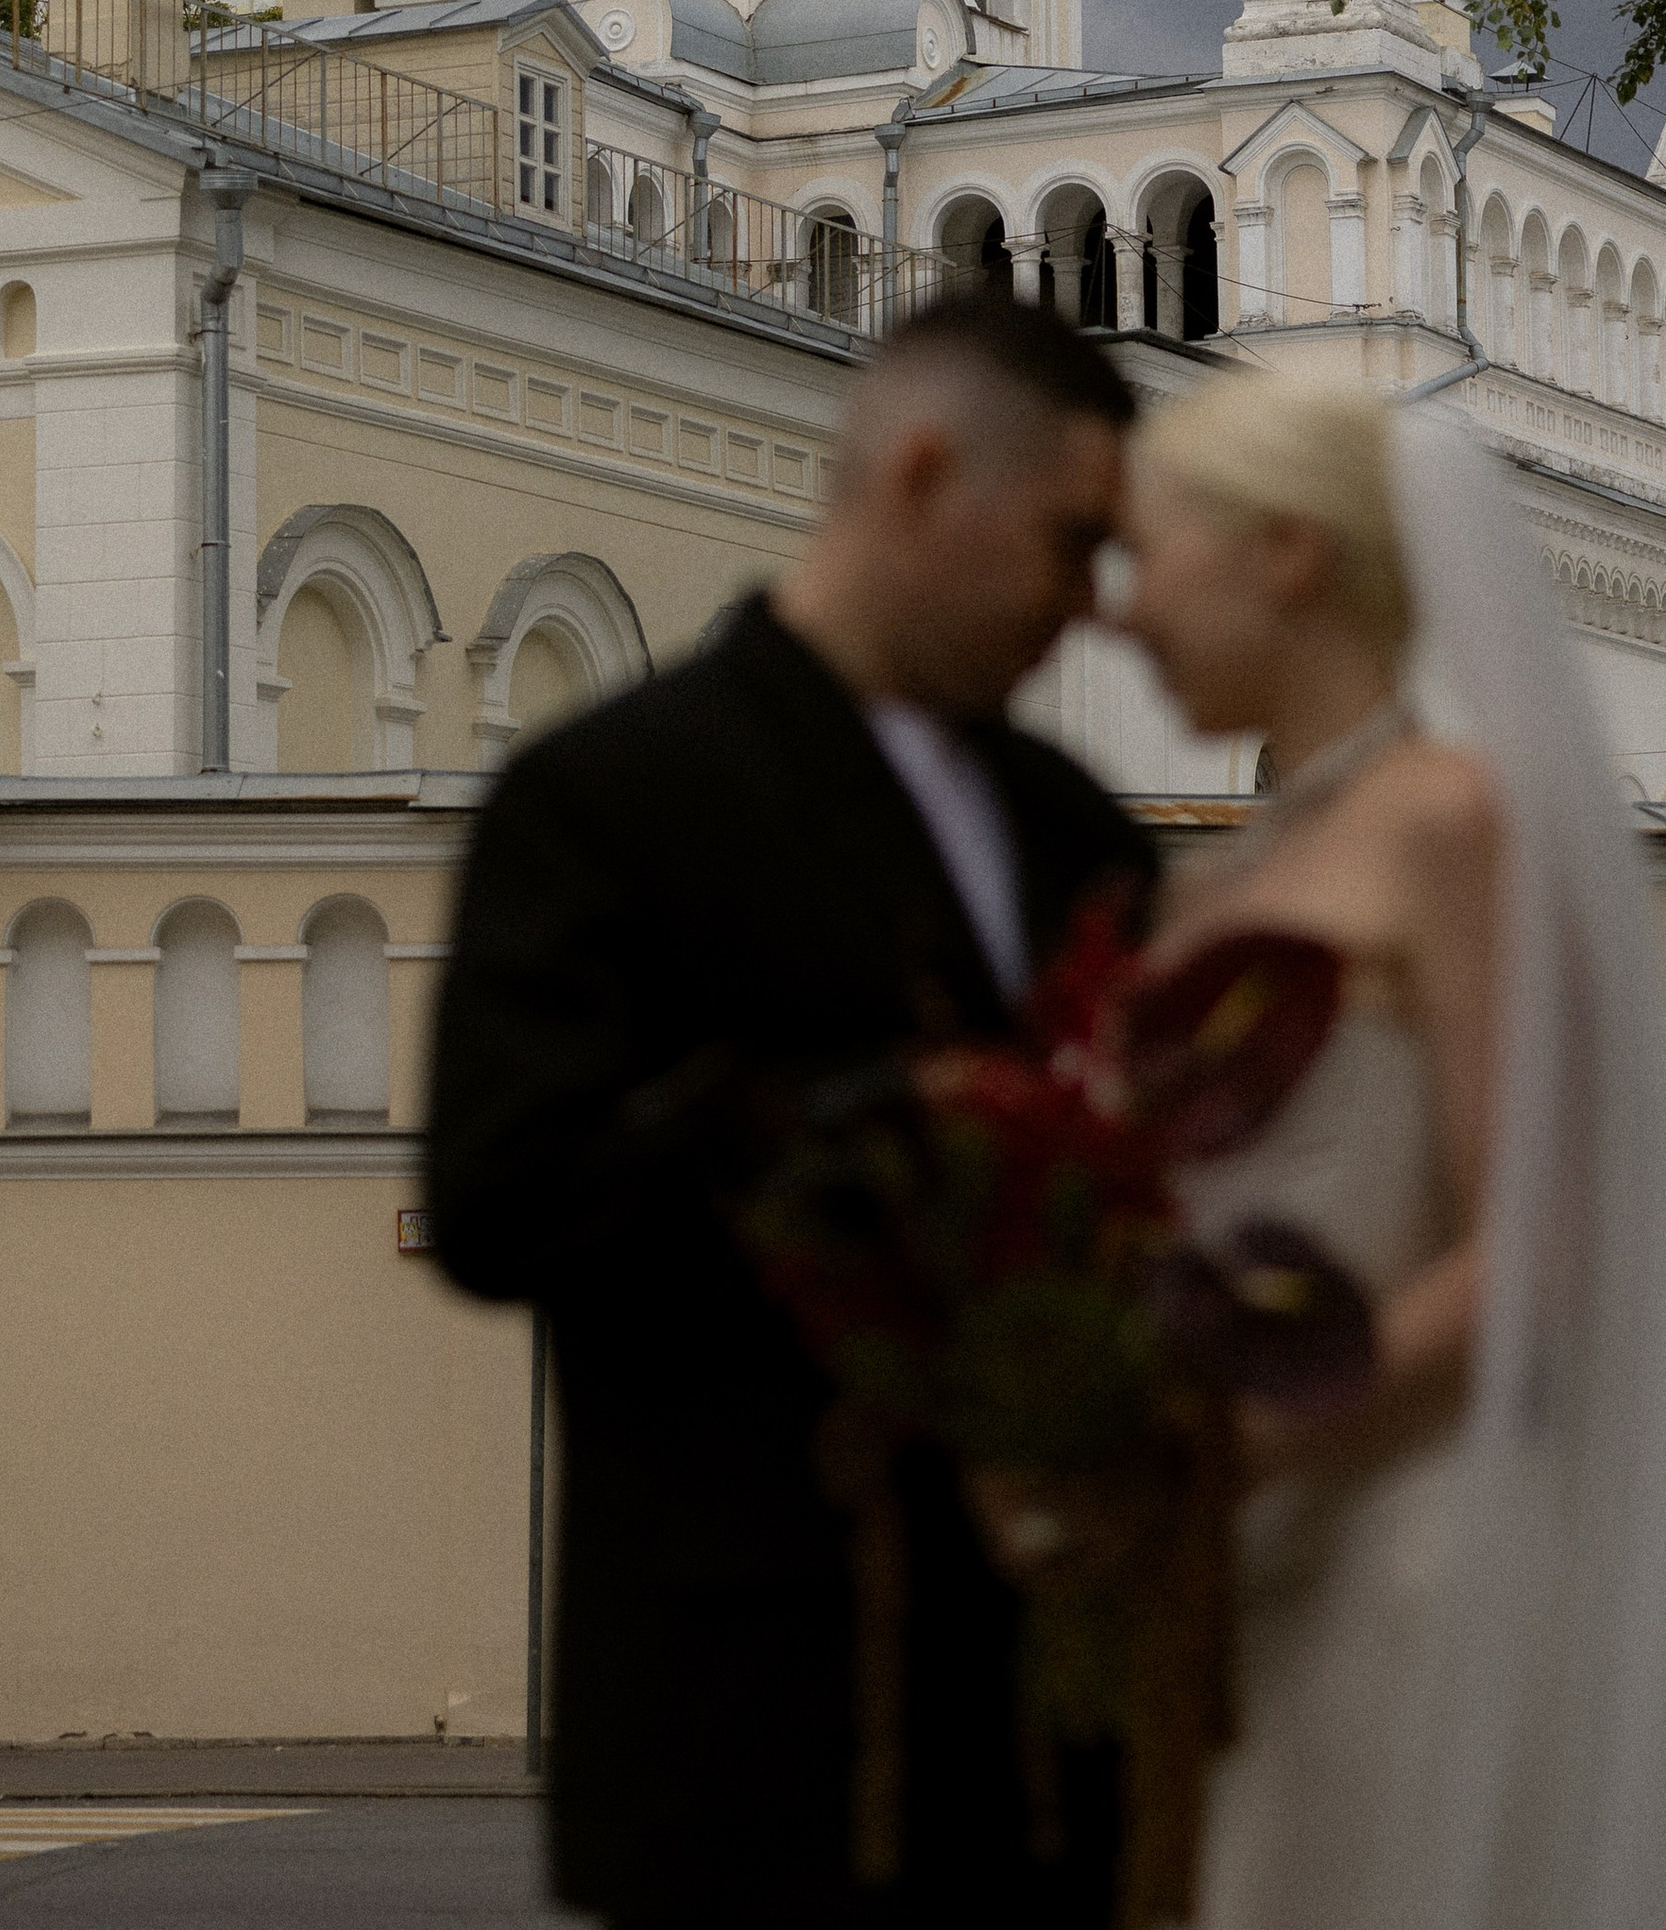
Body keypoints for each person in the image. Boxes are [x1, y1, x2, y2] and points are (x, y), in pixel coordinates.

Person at [427, 293, 1152, 1930]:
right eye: (1067, 542)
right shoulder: (607, 799)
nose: (1089, 607)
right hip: (744, 1744)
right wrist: (863, 1126)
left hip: (1045, 1743)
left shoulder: (1077, 832)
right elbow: (495, 1200)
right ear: (917, 475)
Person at [1101, 370, 1666, 1930]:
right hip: (1226, 1564)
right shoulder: (1207, 890)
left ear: (1291, 551)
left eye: (1152, 554)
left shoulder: (1454, 824)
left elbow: (1537, 1247)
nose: (1125, 614)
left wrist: (1236, 1444)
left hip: (1401, 1555)